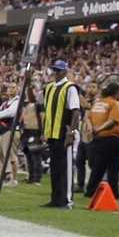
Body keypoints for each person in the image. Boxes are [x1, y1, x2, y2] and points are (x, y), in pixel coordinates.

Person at [42, 60, 82, 209]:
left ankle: (66, 199)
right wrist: (44, 131)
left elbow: (75, 110)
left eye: (59, 71)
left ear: (65, 72)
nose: (56, 73)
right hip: (52, 133)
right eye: (55, 70)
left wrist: (71, 132)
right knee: (55, 167)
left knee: (65, 167)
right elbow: (46, 111)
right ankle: (55, 197)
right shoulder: (50, 87)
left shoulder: (69, 87)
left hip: (63, 132)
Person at [84, 80, 119, 201]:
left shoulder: (97, 103)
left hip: (98, 139)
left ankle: (90, 190)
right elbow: (113, 121)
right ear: (115, 92)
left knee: (97, 167)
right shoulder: (114, 104)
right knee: (113, 168)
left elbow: (88, 117)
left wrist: (92, 129)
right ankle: (114, 192)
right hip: (112, 139)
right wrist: (99, 129)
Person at [0, 81, 21, 187]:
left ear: (17, 89)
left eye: (13, 87)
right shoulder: (5, 102)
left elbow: (11, 112)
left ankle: (14, 179)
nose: (11, 89)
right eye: (9, 87)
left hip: (11, 130)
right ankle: (1, 178)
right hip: (2, 131)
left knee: (12, 156)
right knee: (1, 156)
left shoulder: (17, 101)